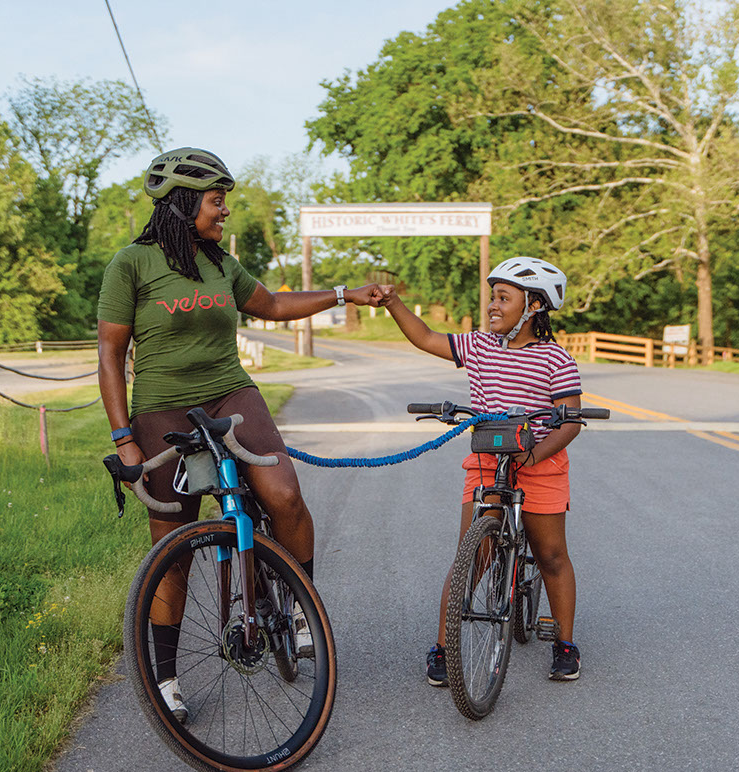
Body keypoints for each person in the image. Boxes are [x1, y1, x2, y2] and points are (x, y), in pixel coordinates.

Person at [97, 146, 382, 719]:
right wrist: (123, 436)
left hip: (231, 392)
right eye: (215, 201)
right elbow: (109, 354)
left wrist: (346, 293)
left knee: (284, 496)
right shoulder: (131, 264)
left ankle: (300, 608)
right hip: (163, 408)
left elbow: (273, 303)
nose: (224, 210)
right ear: (182, 204)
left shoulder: (220, 262)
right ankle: (167, 677)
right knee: (172, 546)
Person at [379, 257, 585, 683]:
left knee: (551, 555)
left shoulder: (555, 360)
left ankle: (565, 643)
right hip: (487, 459)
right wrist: (394, 303)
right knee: (471, 557)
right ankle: (444, 645)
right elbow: (425, 337)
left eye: (504, 297)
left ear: (534, 307)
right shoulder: (478, 346)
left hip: (539, 461)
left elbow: (570, 421)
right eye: (492, 296)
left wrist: (536, 454)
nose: (493, 304)